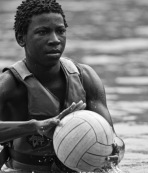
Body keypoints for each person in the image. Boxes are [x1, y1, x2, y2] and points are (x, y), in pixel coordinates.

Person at [0, 0, 125, 172]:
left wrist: (114, 149)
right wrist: (34, 126)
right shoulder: (9, 85)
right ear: (21, 38)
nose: (54, 40)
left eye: (60, 31)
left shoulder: (86, 78)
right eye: (42, 32)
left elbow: (112, 138)